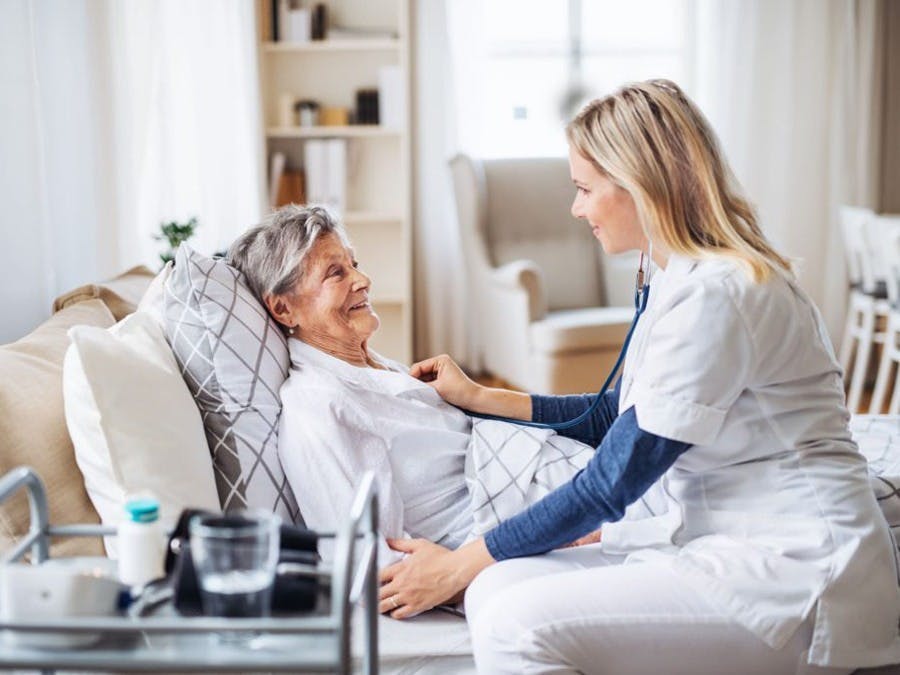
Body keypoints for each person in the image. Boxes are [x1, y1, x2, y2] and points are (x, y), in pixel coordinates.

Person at [378, 79, 900, 674]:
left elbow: (612, 482)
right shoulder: (679, 275)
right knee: (493, 590)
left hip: (796, 569)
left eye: (584, 189)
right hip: (723, 539)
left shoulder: (720, 295)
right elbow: (614, 415)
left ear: (640, 187)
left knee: (512, 623)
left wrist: (457, 562)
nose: (576, 209)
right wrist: (477, 396)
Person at [226, 205, 605, 563]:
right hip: (552, 519)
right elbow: (371, 560)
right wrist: (472, 565)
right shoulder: (319, 407)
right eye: (335, 273)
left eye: (354, 264)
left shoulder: (377, 369)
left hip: (577, 480)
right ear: (282, 308)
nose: (363, 279)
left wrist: (473, 398)